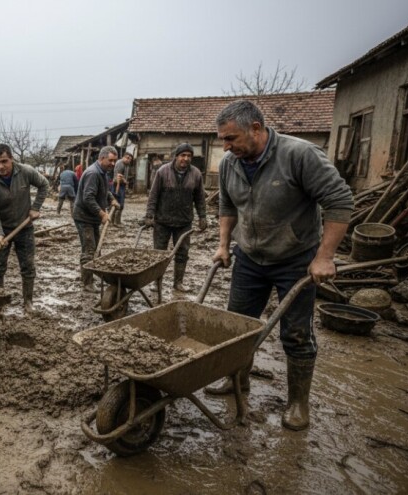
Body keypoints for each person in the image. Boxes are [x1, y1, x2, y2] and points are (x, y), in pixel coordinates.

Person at [206, 100, 353, 431]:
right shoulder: (231, 164)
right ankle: (237, 382)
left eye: (230, 138)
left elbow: (340, 200)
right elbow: (228, 206)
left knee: (297, 334)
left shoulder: (299, 155)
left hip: (295, 260)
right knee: (237, 327)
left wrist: (325, 256)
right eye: (222, 139)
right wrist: (223, 245)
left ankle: (298, 403)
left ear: (256, 129)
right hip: (249, 258)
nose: (225, 147)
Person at [0, 144, 50, 313]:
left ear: (11, 158)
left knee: (28, 266)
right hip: (2, 229)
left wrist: (35, 207)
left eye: (4, 161)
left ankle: (28, 302)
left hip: (24, 228)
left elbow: (44, 185)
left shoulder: (25, 171)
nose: (1, 166)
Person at [143, 144, 207, 292]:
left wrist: (202, 216)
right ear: (176, 156)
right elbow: (153, 196)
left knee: (183, 253)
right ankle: (156, 282)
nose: (186, 158)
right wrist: (149, 215)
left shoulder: (196, 174)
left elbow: (199, 198)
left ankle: (178, 282)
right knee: (159, 254)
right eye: (183, 155)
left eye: (189, 156)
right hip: (162, 221)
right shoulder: (162, 172)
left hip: (184, 222)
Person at [73, 146, 120, 292]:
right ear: (101, 158)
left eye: (115, 161)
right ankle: (87, 283)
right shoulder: (93, 173)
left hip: (92, 218)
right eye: (110, 160)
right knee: (89, 249)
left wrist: (111, 198)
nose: (113, 164)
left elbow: (104, 191)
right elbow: (88, 198)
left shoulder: (103, 172)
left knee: (95, 249)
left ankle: (86, 276)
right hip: (84, 217)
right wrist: (102, 214)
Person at [110, 152, 132, 226]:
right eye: (129, 159)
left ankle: (116, 221)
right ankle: (114, 222)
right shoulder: (120, 164)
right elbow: (118, 177)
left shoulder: (126, 165)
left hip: (122, 186)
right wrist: (125, 181)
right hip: (117, 185)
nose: (130, 161)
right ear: (125, 157)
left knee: (120, 204)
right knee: (118, 204)